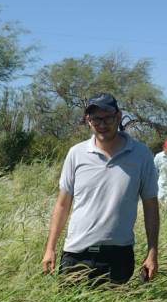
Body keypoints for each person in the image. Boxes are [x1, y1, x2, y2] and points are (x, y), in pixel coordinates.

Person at [41, 93, 159, 285]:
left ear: (119, 117)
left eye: (107, 118)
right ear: (88, 121)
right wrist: (50, 248)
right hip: (76, 254)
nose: (102, 124)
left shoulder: (141, 154)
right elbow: (62, 205)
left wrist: (152, 252)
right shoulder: (76, 154)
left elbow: (151, 206)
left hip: (118, 257)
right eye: (96, 119)